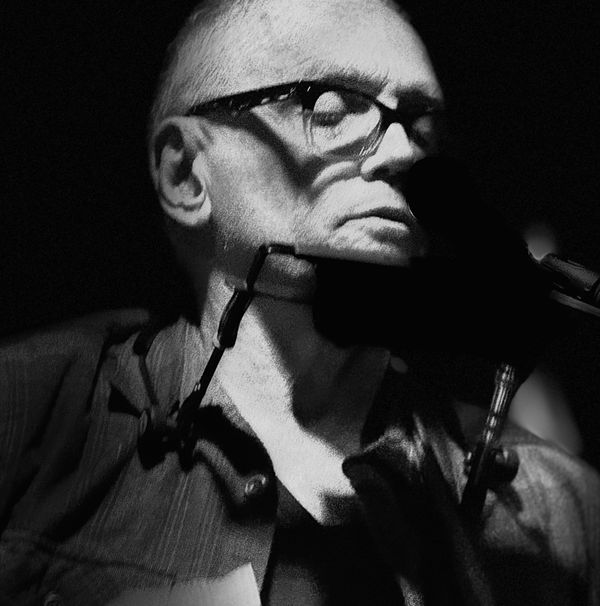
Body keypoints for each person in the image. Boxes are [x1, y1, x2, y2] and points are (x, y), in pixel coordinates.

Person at [1, 0, 599, 604]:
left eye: (421, 127)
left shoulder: (559, 512)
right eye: (330, 107)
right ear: (186, 174)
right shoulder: (36, 416)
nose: (403, 154)